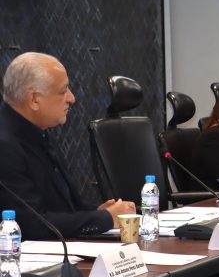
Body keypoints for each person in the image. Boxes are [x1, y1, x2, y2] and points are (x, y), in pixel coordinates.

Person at [0, 52, 136, 240]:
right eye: (63, 91)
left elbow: (64, 208)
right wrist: (105, 218)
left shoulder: (38, 131)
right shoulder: (5, 145)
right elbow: (32, 224)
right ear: (34, 99)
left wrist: (98, 212)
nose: (72, 98)